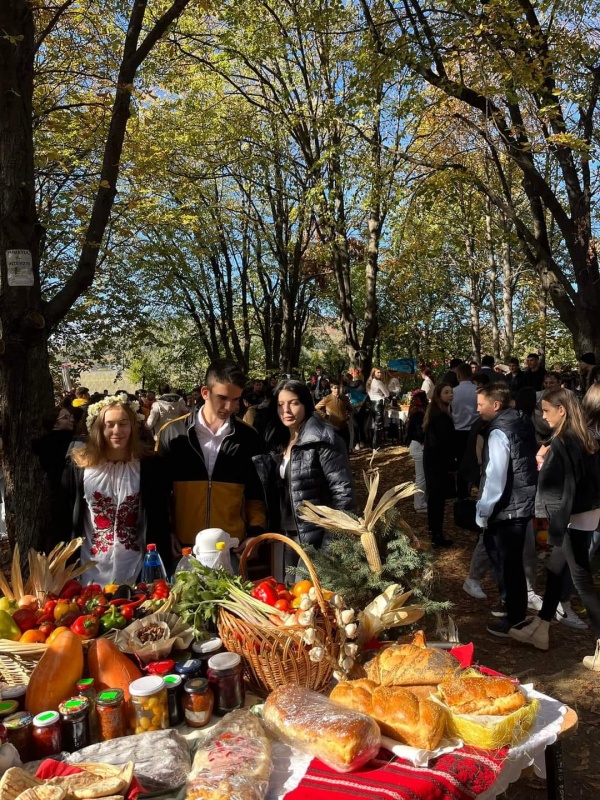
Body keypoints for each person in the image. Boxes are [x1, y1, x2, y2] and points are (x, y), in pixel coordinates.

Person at [510, 389, 600, 668]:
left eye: (547, 411)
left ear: (562, 410)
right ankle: (542, 627)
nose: (544, 417)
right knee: (554, 569)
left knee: (582, 582)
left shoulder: (564, 442)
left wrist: (546, 528)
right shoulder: (585, 437)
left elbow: (559, 491)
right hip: (585, 514)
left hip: (569, 517)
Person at [157, 359, 267, 561]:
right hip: (183, 550)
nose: (229, 407)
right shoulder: (172, 433)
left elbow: (256, 493)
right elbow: (159, 492)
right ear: (205, 393)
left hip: (231, 549)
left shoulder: (249, 437)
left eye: (236, 400)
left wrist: (255, 534)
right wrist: (166, 532)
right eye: (223, 398)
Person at [63, 393, 170, 585]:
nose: (117, 430)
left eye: (123, 423)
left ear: (132, 426)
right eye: (109, 424)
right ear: (98, 428)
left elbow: (159, 513)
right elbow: (66, 515)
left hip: (135, 568)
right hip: (90, 568)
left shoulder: (149, 466)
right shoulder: (80, 468)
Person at [253, 380, 355, 577]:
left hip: (314, 541)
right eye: (280, 404)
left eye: (294, 403)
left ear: (306, 404)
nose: (286, 410)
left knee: (309, 599)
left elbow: (344, 496)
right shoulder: (277, 442)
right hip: (283, 539)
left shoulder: (324, 439)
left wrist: (330, 546)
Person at [475, 384, 538, 637]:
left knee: (507, 563)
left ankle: (514, 617)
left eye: (481, 404)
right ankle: (510, 606)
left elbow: (496, 475)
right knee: (507, 561)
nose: (477, 409)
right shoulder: (520, 422)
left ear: (496, 405)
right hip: (518, 504)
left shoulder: (498, 432)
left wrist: (483, 509)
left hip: (508, 507)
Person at [423, 383, 456, 548]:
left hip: (433, 463)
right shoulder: (440, 417)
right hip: (437, 465)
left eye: (451, 392)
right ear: (438, 395)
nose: (450, 395)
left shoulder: (438, 414)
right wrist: (450, 464)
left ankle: (435, 532)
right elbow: (445, 443)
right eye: (447, 392)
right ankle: (436, 535)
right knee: (436, 501)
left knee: (435, 500)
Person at [451, 363, 479, 500]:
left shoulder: (453, 392)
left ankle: (462, 494)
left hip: (459, 431)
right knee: (477, 460)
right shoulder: (478, 391)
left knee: (461, 463)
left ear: (459, 375)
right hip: (475, 431)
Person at [405, 390, 428, 513]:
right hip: (418, 446)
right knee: (421, 477)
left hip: (417, 445)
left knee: (422, 477)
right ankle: (419, 504)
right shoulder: (418, 414)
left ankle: (421, 502)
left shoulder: (416, 412)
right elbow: (418, 433)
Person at [315, 382, 353, 451]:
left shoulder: (344, 398)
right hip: (333, 427)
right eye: (335, 388)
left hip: (343, 426)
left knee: (345, 447)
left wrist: (348, 416)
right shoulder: (327, 398)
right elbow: (316, 408)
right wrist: (325, 416)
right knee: (335, 449)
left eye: (338, 388)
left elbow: (350, 409)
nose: (337, 390)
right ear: (331, 389)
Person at [366, 367, 389, 449]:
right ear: (373, 373)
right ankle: (376, 445)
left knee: (374, 425)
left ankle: (374, 443)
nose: (380, 374)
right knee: (378, 426)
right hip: (378, 404)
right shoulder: (378, 382)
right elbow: (387, 393)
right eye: (378, 372)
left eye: (380, 372)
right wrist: (383, 395)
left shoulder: (369, 382)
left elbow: (369, 394)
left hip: (372, 404)